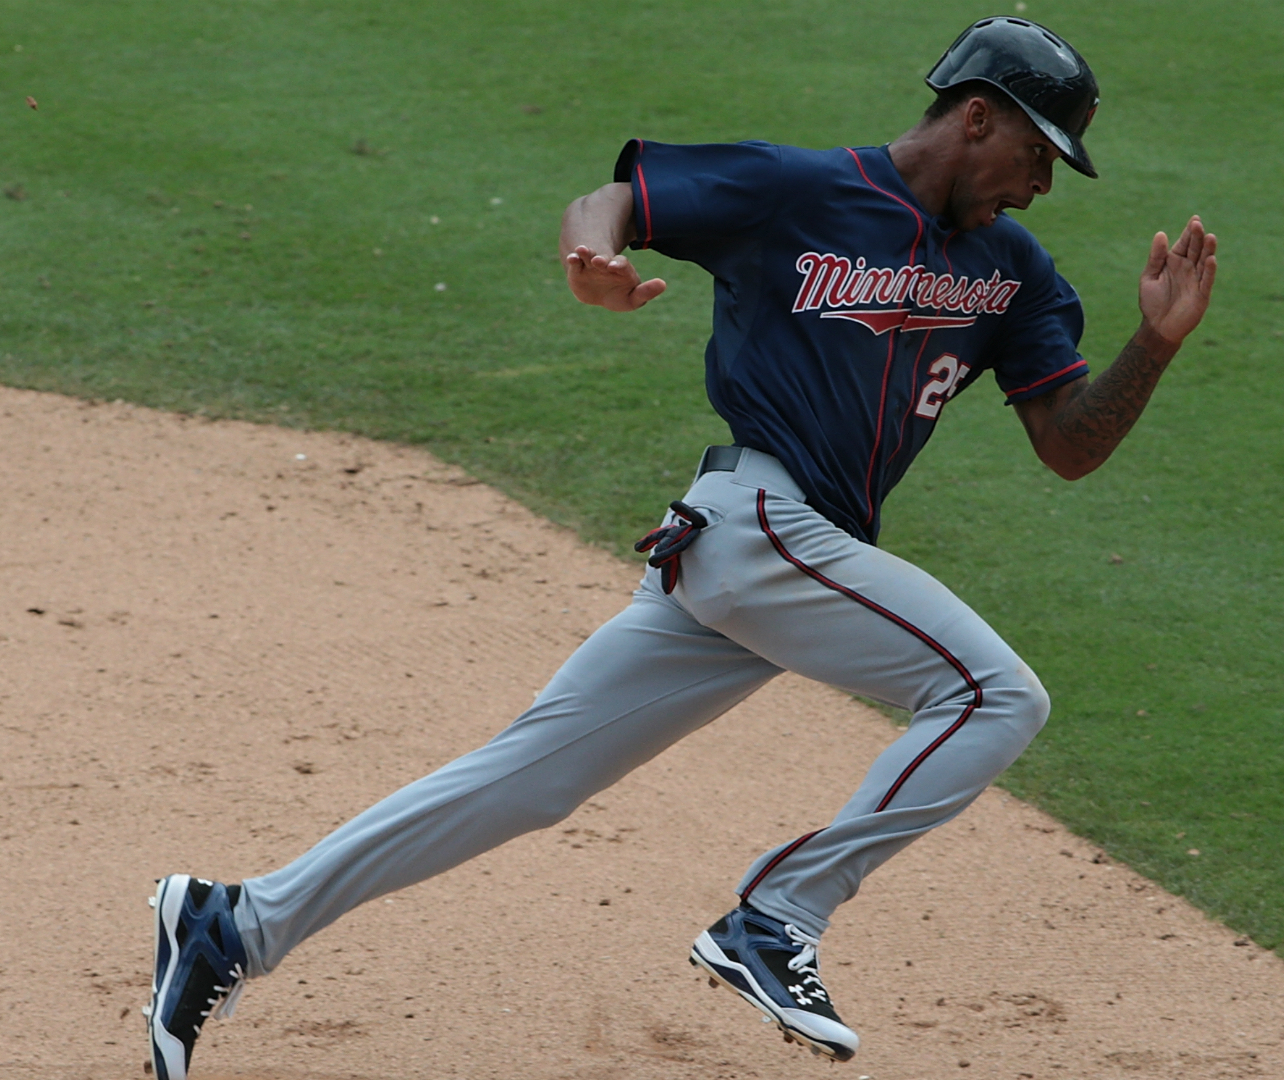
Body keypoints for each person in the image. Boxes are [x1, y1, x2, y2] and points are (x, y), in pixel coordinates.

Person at [144, 16, 1216, 1079]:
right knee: (996, 695)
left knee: (524, 780)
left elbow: (1071, 445)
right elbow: (613, 197)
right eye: (1037, 154)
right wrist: (592, 253)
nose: (1039, 185)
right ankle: (779, 916)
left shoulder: (1013, 267)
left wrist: (1154, 345)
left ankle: (233, 923)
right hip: (757, 530)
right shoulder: (796, 190)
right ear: (976, 116)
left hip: (774, 560)